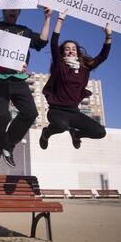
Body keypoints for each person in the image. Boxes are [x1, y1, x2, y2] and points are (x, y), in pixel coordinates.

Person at [0, 3, 52, 174]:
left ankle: (8, 145)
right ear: (4, 11)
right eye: (9, 9)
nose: (12, 12)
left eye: (15, 10)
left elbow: (42, 41)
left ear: (19, 12)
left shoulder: (24, 31)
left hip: (17, 78)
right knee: (2, 115)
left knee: (31, 113)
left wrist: (48, 17)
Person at [39, 10, 111, 150]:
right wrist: (60, 19)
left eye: (73, 49)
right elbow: (54, 43)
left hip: (74, 112)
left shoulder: (85, 68)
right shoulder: (60, 66)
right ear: (63, 53)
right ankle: (46, 133)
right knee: (61, 126)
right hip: (57, 111)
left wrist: (108, 36)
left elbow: (102, 56)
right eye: (67, 49)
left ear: (77, 51)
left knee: (100, 132)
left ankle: (76, 135)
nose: (70, 51)